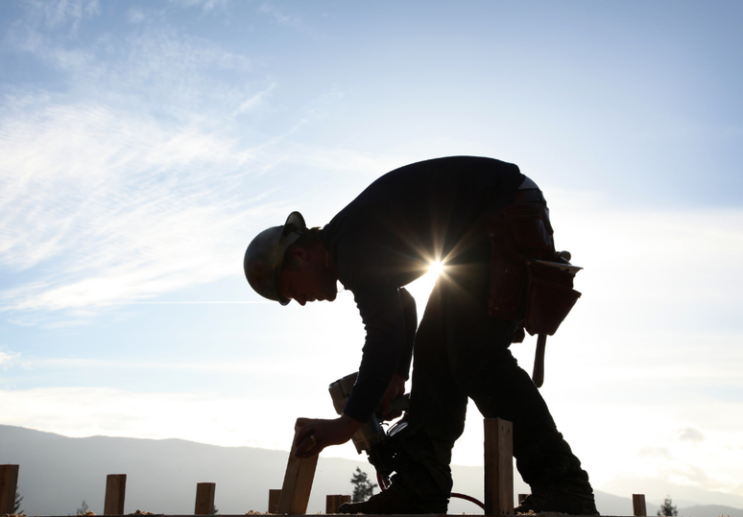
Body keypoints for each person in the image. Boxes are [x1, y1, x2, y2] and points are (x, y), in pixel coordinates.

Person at [243, 156, 597, 515]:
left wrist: (348, 423)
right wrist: (398, 374)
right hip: (480, 229)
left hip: (502, 212)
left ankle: (563, 484)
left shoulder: (349, 245)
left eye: (292, 288)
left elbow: (384, 329)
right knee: (434, 348)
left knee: (473, 352)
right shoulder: (348, 242)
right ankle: (420, 487)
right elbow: (403, 303)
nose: (301, 301)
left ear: (301, 255)